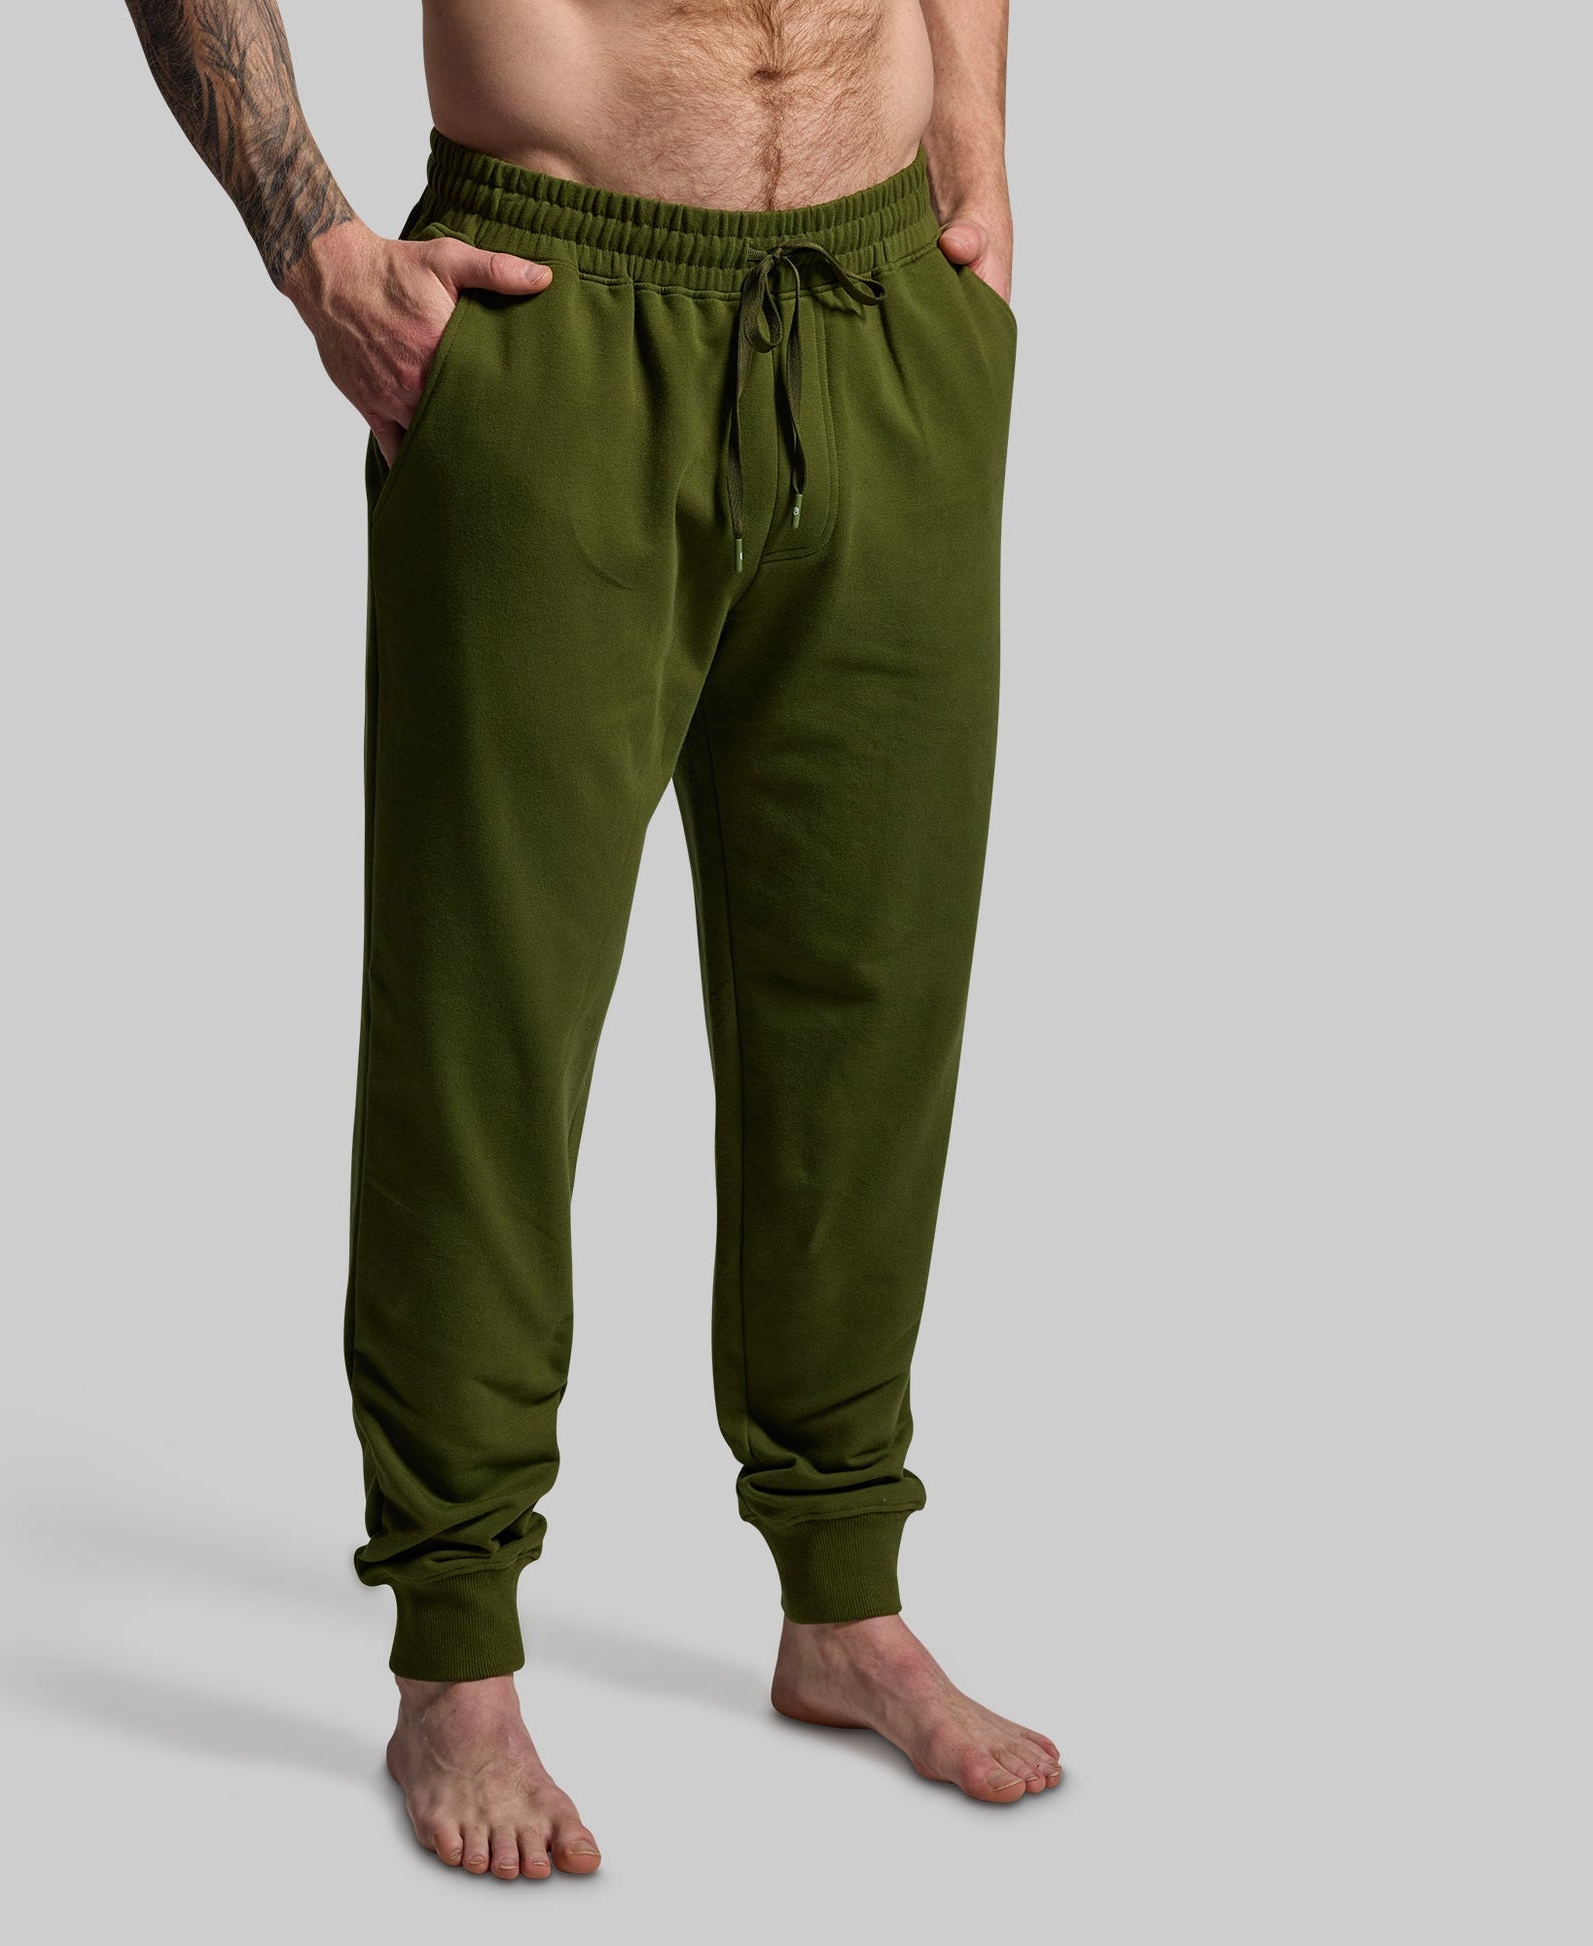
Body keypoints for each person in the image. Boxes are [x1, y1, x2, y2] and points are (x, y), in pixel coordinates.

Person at [123, 0, 1061, 1879]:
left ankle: (843, 1598)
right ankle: (455, 1657)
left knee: (869, 995)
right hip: (557, 311)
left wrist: (972, 151)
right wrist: (315, 247)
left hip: (884, 300)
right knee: (491, 1013)